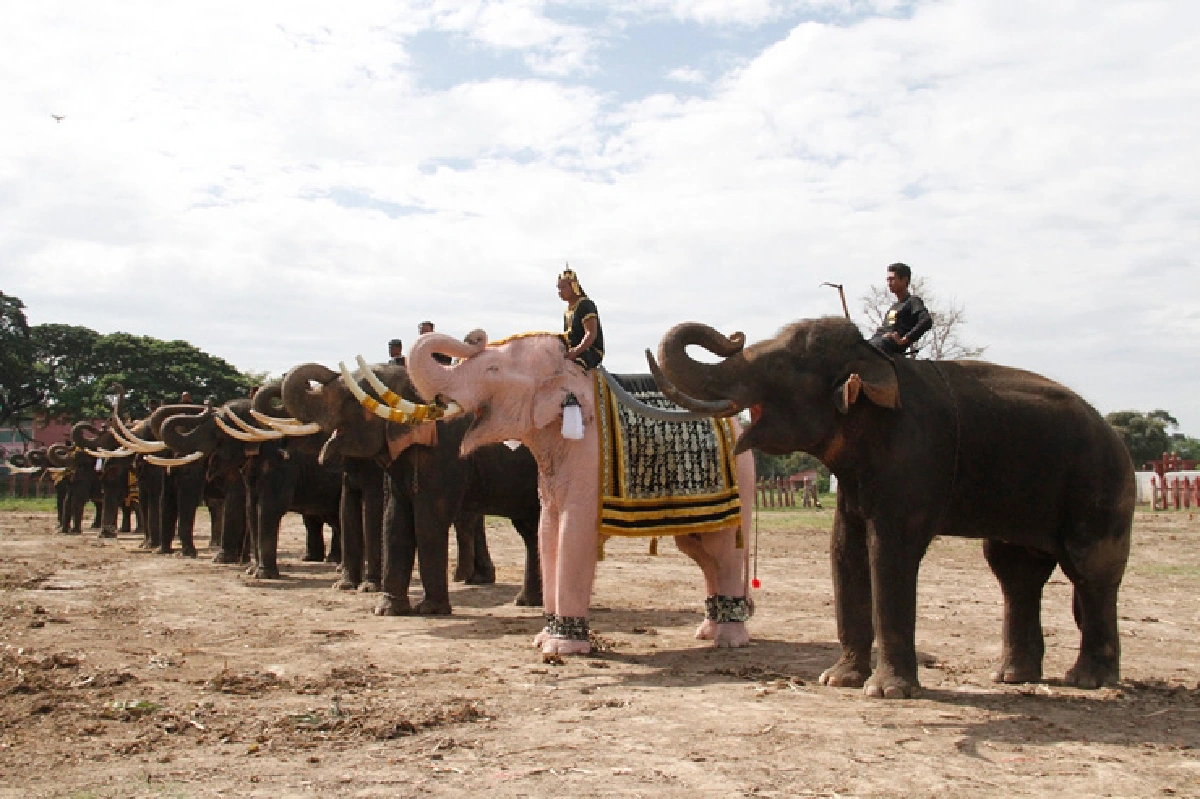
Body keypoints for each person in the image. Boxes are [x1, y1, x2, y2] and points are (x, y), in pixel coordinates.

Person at [869, 262, 932, 356]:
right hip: (878, 340)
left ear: (904, 280)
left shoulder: (913, 301)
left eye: (892, 279)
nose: (889, 283)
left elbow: (926, 321)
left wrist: (905, 339)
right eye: (888, 280)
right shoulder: (893, 307)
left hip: (887, 344)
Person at [558, 266, 604, 370]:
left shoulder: (585, 304)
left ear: (573, 286)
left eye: (563, 287)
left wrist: (576, 351)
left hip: (589, 351)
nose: (560, 291)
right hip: (572, 350)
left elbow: (591, 333)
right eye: (558, 288)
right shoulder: (567, 311)